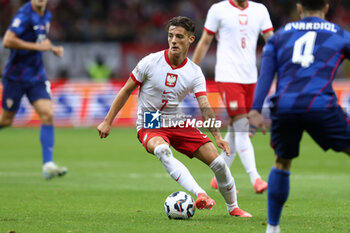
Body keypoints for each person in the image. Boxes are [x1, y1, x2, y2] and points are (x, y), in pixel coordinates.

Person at [97, 16, 252, 217]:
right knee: (162, 150)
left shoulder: (194, 72)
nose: (173, 40)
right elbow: (126, 90)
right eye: (170, 36)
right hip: (150, 121)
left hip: (176, 120)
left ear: (191, 39)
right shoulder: (150, 62)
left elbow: (204, 106)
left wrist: (218, 136)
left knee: (219, 163)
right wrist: (108, 121)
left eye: (179, 36)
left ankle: (234, 208)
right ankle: (200, 194)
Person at [248, 0, 350, 232]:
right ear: (326, 8)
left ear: (300, 9)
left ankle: (272, 228)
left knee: (282, 162)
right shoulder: (340, 35)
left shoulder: (279, 36)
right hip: (320, 105)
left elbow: (266, 76)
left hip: (285, 107)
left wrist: (255, 109)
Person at [192, 0, 274, 193]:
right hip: (228, 76)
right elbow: (204, 41)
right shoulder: (218, 10)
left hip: (251, 77)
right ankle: (256, 179)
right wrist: (192, 71)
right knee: (242, 126)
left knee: (236, 131)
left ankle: (218, 177)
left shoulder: (260, 10)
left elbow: (272, 40)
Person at [0, 0, 67, 179]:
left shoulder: (46, 14)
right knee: (5, 121)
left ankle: (48, 165)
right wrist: (39, 47)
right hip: (16, 77)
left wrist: (52, 48)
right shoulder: (24, 15)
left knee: (48, 114)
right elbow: (7, 40)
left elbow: (40, 38)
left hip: (36, 76)